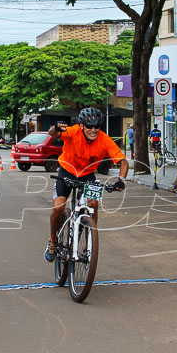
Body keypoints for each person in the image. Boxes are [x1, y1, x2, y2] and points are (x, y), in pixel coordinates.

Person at [44, 107, 128, 262]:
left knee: (93, 204)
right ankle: (52, 241)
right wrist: (55, 127)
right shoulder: (74, 131)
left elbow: (123, 162)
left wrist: (121, 180)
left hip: (87, 176)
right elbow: (53, 133)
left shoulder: (104, 139)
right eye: (90, 127)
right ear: (82, 125)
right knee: (59, 207)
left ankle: (89, 242)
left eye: (97, 127)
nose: (93, 130)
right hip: (66, 171)